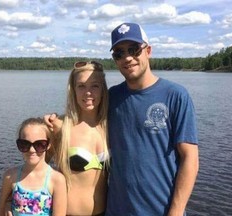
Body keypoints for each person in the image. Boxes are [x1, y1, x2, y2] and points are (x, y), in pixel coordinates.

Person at [105, 22, 199, 216]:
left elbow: (190, 157)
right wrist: (55, 122)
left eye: (133, 49)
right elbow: (82, 118)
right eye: (119, 53)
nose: (128, 58)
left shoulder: (175, 95)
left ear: (148, 51)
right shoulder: (111, 97)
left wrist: (176, 211)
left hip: (161, 210)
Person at [45, 61, 110, 216]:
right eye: (81, 86)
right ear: (73, 90)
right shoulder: (60, 127)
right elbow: (36, 168)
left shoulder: (110, 127)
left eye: (94, 86)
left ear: (103, 90)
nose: (88, 92)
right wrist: (11, 200)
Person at [0, 117, 67, 216]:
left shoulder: (57, 180)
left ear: (48, 144)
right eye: (25, 144)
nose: (32, 150)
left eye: (39, 144)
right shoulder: (10, 176)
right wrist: (7, 205)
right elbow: (0, 211)